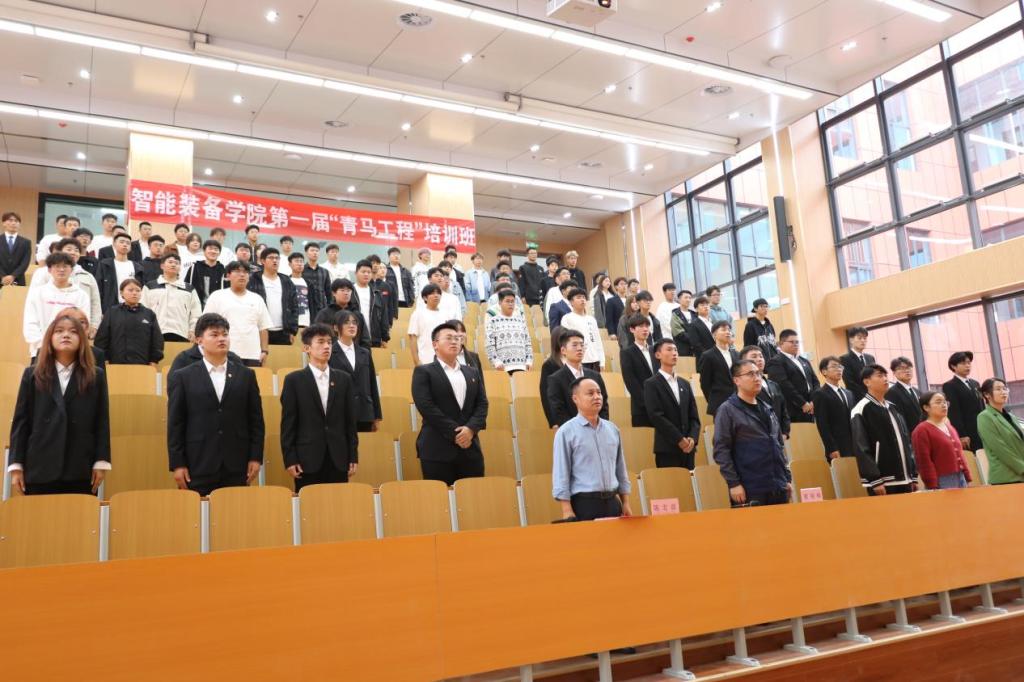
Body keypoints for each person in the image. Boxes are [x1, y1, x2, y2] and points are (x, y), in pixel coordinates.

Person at [8, 312, 110, 495]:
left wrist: (101, 461)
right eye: (59, 331)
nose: (66, 335)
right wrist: (16, 465)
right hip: (39, 466)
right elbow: (21, 422)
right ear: (49, 337)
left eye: (73, 331)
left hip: (80, 466)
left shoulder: (96, 376)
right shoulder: (32, 375)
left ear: (82, 339)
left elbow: (102, 421)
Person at [167, 313, 264, 496]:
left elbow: (256, 421)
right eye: (214, 334)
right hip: (197, 462)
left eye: (225, 334)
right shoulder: (183, 376)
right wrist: (178, 463)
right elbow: (176, 423)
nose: (222, 339)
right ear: (199, 340)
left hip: (237, 463)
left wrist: (256, 457)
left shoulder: (246, 375)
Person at [280, 324, 358, 491]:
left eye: (329, 342)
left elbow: (350, 422)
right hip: (306, 459)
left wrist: (353, 455)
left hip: (339, 458)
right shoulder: (293, 380)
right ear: (307, 348)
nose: (327, 346)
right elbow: (288, 424)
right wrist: (290, 459)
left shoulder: (344, 379)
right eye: (321, 342)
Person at [411, 321, 489, 485]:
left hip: (470, 449)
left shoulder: (472, 372)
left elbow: (482, 404)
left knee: (473, 495)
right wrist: (457, 434)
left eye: (457, 338)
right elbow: (426, 407)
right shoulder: (424, 372)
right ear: (435, 344)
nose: (454, 341)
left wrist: (470, 429)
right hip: (437, 449)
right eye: (448, 338)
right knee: (439, 498)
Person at [713, 360, 791, 506]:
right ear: (736, 380)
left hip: (778, 485)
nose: (757, 378)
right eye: (750, 374)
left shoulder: (768, 408)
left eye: (758, 373)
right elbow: (721, 449)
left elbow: (779, 445)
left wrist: (786, 478)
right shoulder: (727, 410)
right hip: (750, 487)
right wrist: (733, 483)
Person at [552, 377, 632, 520]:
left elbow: (620, 468)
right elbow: (561, 473)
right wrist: (566, 510)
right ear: (575, 399)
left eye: (599, 393)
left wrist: (625, 502)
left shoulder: (612, 429)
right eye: (590, 393)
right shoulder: (565, 432)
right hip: (584, 504)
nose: (597, 397)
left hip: (613, 502)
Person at [850, 364, 918, 495]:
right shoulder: (861, 409)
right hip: (882, 481)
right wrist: (874, 479)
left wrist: (913, 475)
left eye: (886, 375)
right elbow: (861, 447)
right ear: (867, 382)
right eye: (880, 376)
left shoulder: (893, 407)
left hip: (906, 478)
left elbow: (906, 442)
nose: (885, 379)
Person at [644, 339, 701, 469]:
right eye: (669, 349)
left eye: (675, 350)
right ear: (658, 355)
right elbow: (656, 416)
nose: (674, 353)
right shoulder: (651, 384)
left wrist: (692, 438)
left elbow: (694, 416)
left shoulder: (685, 384)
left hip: (689, 448)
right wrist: (679, 439)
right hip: (667, 448)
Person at [203, 262, 272, 367]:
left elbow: (263, 327)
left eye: (245, 272)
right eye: (237, 271)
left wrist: (264, 350)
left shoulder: (257, 299)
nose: (242, 275)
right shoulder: (217, 296)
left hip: (252, 354)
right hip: (224, 352)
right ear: (228, 276)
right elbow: (206, 325)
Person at [30, 238, 102, 339]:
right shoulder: (43, 273)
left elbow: (95, 302)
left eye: (76, 250)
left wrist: (94, 326)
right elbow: (33, 302)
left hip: (76, 330)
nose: (73, 252)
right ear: (59, 251)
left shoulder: (88, 276)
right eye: (69, 249)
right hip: (46, 327)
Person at [23, 253, 91, 358]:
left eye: (65, 266)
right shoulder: (37, 293)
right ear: (49, 270)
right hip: (41, 350)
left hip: (70, 352)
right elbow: (30, 323)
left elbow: (83, 324)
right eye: (57, 266)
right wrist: (44, 344)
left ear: (71, 270)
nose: (61, 270)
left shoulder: (81, 295)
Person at [329, 310, 382, 432]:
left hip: (364, 413)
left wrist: (377, 416)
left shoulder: (365, 353)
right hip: (340, 413)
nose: (352, 326)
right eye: (346, 322)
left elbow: (372, 384)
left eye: (354, 323)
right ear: (336, 327)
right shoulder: (330, 352)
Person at [546, 329, 609, 427]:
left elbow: (604, 405)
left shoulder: (595, 376)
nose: (580, 348)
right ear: (563, 350)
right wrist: (579, 429)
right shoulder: (555, 379)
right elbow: (558, 411)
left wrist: (599, 426)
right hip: (572, 432)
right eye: (574, 345)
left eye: (582, 345)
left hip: (597, 429)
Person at [94, 279, 163, 365]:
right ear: (121, 293)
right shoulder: (112, 312)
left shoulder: (149, 314)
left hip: (142, 363)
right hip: (115, 363)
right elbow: (101, 338)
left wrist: (154, 360)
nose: (134, 293)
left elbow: (157, 340)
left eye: (138, 290)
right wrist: (104, 358)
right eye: (130, 290)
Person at [911, 391, 970, 490]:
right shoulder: (921, 430)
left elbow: (960, 453)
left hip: (960, 476)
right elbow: (923, 461)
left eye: (945, 402)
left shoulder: (949, 427)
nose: (944, 405)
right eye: (938, 402)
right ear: (926, 407)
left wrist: (966, 474)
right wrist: (932, 484)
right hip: (941, 479)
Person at [141, 252, 202, 343]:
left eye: (177, 263)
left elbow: (196, 313)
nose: (173, 265)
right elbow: (143, 311)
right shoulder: (150, 287)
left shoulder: (189, 289)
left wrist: (193, 330)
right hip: (156, 333)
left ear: (180, 267)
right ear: (162, 266)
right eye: (170, 262)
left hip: (182, 334)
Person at [246, 247, 298, 346]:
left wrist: (292, 330)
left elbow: (294, 306)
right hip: (261, 330)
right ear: (262, 261)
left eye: (277, 258)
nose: (275, 260)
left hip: (284, 331)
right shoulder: (254, 280)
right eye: (271, 258)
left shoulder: (286, 280)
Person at [976, 377, 1024, 485]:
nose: (1003, 392)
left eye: (1005, 388)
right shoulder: (984, 417)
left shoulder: (1011, 416)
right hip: (1006, 477)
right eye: (998, 389)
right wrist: (1022, 468)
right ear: (987, 394)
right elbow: (1001, 449)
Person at [766, 329, 819, 424]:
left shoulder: (804, 361)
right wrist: (802, 403)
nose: (796, 344)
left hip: (811, 407)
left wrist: (813, 401)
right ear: (781, 344)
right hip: (792, 409)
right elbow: (783, 385)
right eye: (792, 342)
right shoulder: (776, 361)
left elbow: (815, 381)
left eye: (797, 342)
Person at [739, 345, 790, 441]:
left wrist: (785, 433)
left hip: (778, 438)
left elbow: (783, 410)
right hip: (757, 438)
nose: (759, 359)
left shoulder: (774, 385)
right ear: (743, 362)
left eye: (761, 356)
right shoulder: (743, 386)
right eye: (754, 356)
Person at [812, 355, 856, 460]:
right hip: (838, 446)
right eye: (834, 366)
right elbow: (823, 424)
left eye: (840, 367)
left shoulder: (849, 393)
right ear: (824, 372)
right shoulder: (820, 394)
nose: (839, 369)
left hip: (855, 444)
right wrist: (831, 448)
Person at [942, 351, 985, 452]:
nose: (967, 366)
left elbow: (982, 406)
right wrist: (961, 434)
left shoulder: (975, 383)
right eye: (963, 363)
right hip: (968, 432)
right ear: (953, 366)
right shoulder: (950, 386)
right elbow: (954, 412)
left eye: (969, 363)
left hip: (982, 428)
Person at [484, 289, 533, 374]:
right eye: (507, 301)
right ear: (500, 303)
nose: (510, 304)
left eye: (512, 301)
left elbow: (527, 342)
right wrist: (496, 362)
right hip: (502, 368)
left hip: (522, 366)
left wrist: (529, 360)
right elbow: (489, 345)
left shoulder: (521, 320)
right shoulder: (492, 321)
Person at [619, 315, 655, 427]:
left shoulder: (655, 350)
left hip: (661, 406)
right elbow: (630, 381)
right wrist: (647, 403)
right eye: (641, 326)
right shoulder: (627, 353)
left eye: (647, 326)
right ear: (632, 329)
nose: (645, 329)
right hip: (642, 407)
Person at [96, 232, 144, 312]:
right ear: (114, 244)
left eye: (128, 243)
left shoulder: (137, 267)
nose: (125, 245)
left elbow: (141, 288)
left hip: (132, 308)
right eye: (121, 242)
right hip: (110, 308)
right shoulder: (105, 265)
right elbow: (98, 288)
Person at [699, 321, 740, 415]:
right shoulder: (707, 356)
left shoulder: (737, 354)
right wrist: (713, 401)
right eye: (723, 329)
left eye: (729, 330)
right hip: (719, 403)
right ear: (714, 335)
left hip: (738, 402)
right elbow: (705, 383)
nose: (728, 332)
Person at [559, 287, 604, 371]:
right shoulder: (567, 318)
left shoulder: (591, 319)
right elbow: (564, 341)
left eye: (583, 297)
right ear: (571, 302)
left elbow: (598, 340)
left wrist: (602, 360)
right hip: (578, 360)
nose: (582, 300)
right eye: (578, 297)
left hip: (595, 359)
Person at [408, 283, 449, 366]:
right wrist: (417, 361)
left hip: (444, 360)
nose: (436, 296)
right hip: (425, 359)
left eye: (438, 293)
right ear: (425, 297)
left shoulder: (445, 314)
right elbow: (412, 338)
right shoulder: (418, 314)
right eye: (432, 293)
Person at [351, 259, 390, 348]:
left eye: (369, 272)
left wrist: (385, 338)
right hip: (353, 338)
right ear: (356, 273)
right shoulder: (350, 292)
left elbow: (384, 316)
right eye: (363, 272)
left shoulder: (376, 294)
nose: (366, 274)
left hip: (373, 338)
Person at [183, 240, 226, 306]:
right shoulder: (195, 267)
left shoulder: (223, 270)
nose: (213, 251)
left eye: (216, 249)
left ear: (219, 253)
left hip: (217, 307)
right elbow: (187, 286)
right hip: (196, 306)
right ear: (204, 251)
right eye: (210, 249)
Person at [887, 357, 923, 434]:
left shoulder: (918, 392)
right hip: (908, 434)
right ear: (894, 372)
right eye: (902, 368)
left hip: (923, 433)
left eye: (909, 367)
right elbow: (898, 418)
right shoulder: (891, 392)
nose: (907, 370)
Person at [840, 327, 875, 404]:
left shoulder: (870, 358)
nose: (863, 340)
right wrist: (868, 397)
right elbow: (850, 383)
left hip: (874, 397)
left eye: (865, 338)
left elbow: (874, 377)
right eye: (859, 338)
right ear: (851, 340)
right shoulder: (844, 359)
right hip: (857, 400)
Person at [0, 211, 31, 287]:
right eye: (10, 220)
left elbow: (25, 263)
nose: (13, 223)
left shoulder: (26, 242)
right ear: (3, 223)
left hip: (18, 280)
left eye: (16, 221)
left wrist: (13, 276)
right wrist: (2, 276)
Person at [302, 242, 332, 320]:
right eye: (312, 250)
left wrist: (330, 308)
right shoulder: (301, 270)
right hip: (306, 308)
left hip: (322, 308)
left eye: (317, 251)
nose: (315, 253)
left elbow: (329, 292)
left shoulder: (324, 271)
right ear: (306, 253)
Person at [286, 252, 312, 328]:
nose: (299, 264)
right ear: (290, 264)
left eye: (301, 261)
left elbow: (312, 304)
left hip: (306, 322)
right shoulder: (286, 282)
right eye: (296, 261)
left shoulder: (308, 283)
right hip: (291, 323)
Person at [670, 289, 696, 357]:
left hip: (696, 350)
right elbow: (678, 333)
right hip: (683, 350)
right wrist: (695, 339)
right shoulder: (675, 314)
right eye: (686, 297)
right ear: (679, 299)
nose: (688, 300)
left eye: (690, 298)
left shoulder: (694, 314)